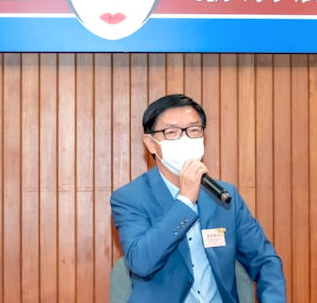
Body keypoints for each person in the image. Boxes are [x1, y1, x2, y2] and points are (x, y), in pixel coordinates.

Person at [111, 94, 286, 302]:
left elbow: (265, 261)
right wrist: (185, 201)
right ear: (151, 144)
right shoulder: (130, 198)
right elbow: (141, 263)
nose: (185, 139)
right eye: (172, 132)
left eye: (194, 130)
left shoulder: (224, 196)